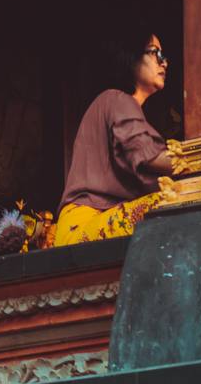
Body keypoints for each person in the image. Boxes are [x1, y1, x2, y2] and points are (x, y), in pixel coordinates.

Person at [55, 28, 174, 245]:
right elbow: (146, 155)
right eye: (155, 53)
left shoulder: (125, 108)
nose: (164, 63)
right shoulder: (118, 100)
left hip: (100, 221)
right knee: (178, 202)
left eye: (164, 56)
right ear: (131, 57)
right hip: (83, 225)